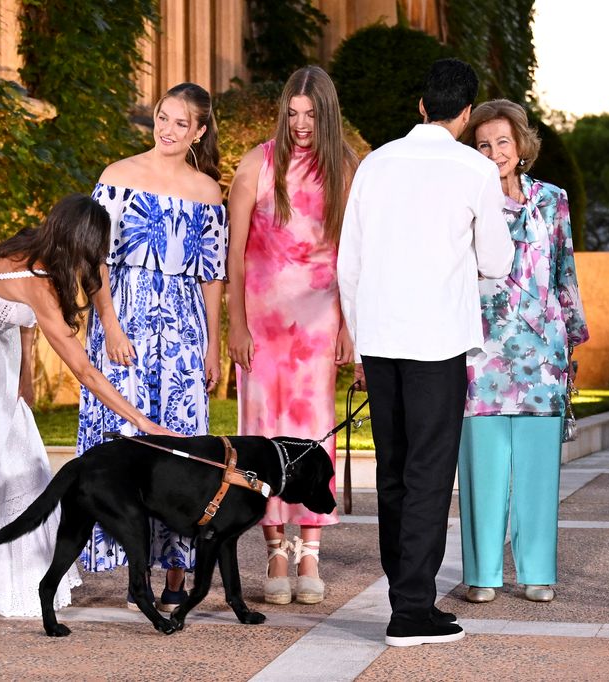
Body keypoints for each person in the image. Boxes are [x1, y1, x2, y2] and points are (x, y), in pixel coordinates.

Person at [0, 194, 175, 620]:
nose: (98, 260)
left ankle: (16, 582)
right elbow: (83, 371)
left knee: (22, 460)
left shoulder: (43, 250)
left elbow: (22, 322)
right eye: (95, 250)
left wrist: (24, 375)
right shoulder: (37, 280)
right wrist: (142, 421)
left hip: (0, 352)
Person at [337, 58, 514, 647]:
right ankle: (411, 610)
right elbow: (497, 261)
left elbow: (349, 264)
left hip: (381, 341)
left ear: (422, 105)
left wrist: (361, 340)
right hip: (436, 342)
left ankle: (407, 599)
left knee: (393, 470)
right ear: (465, 113)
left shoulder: (375, 164)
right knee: (429, 474)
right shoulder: (474, 169)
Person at [76, 82, 228, 611]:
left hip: (183, 330)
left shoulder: (209, 192)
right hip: (125, 321)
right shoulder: (117, 177)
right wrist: (109, 324)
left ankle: (176, 573)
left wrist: (212, 346)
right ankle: (129, 564)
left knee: (182, 447)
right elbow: (93, 256)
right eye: (162, 117)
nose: (166, 129)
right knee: (123, 440)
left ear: (199, 132)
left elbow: (212, 275)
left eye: (181, 123)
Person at [226, 65, 357, 606]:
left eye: (311, 114)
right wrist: (232, 323)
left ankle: (311, 550)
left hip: (320, 322)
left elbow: (355, 256)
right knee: (261, 432)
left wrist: (350, 323)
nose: (301, 124)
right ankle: (274, 546)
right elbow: (232, 252)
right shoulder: (257, 162)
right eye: (293, 113)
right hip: (261, 324)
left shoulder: (347, 167)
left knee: (313, 432)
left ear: (326, 114)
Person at [457, 99, 589, 604]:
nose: (494, 153)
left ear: (521, 145)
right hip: (480, 353)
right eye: (483, 144)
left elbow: (564, 272)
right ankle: (483, 575)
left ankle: (538, 572)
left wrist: (571, 337)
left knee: (537, 472)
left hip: (542, 354)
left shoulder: (553, 200)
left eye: (502, 142)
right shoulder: (465, 201)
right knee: (483, 471)